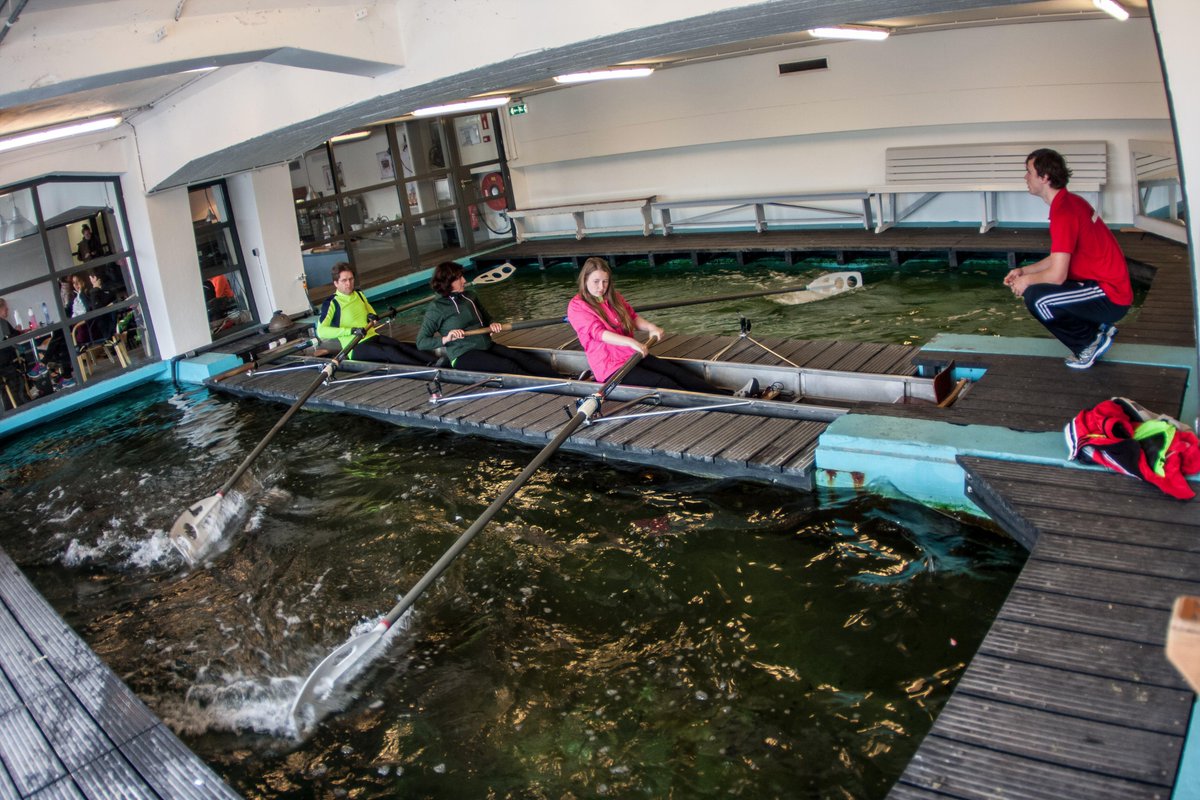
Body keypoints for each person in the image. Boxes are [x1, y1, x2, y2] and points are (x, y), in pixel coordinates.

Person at [1004, 148, 1132, 370]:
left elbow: (1056, 274)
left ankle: (1089, 342)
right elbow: (1058, 258)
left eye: (1029, 172)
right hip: (1105, 287)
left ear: (1044, 178)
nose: (1025, 178)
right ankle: (1098, 328)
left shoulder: (1064, 212)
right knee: (1038, 287)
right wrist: (1025, 271)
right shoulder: (1069, 202)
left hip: (1111, 295)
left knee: (1037, 298)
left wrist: (1027, 282)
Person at [566, 257, 751, 395]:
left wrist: (651, 328)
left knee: (676, 372)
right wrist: (630, 342)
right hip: (610, 367)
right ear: (585, 281)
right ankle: (721, 403)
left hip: (632, 355)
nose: (601, 287)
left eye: (605, 282)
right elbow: (599, 333)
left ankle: (728, 396)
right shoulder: (576, 306)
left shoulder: (613, 297)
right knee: (663, 381)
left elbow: (632, 318)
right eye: (596, 282)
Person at [416, 261, 559, 377]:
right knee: (507, 365)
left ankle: (563, 380)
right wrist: (446, 339)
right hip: (462, 355)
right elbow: (421, 342)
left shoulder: (469, 296)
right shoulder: (436, 308)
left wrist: (492, 324)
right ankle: (550, 387)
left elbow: (486, 319)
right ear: (448, 282)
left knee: (520, 357)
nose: (464, 280)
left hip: (485, 345)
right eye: (459, 278)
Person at [317, 263, 432, 365]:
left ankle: (437, 362)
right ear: (336, 283)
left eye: (351, 279)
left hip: (372, 336)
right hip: (354, 347)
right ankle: (428, 367)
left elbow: (371, 311)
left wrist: (371, 315)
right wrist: (351, 331)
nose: (349, 284)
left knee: (401, 346)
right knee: (390, 351)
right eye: (344, 280)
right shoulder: (332, 303)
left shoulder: (359, 294)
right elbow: (321, 331)